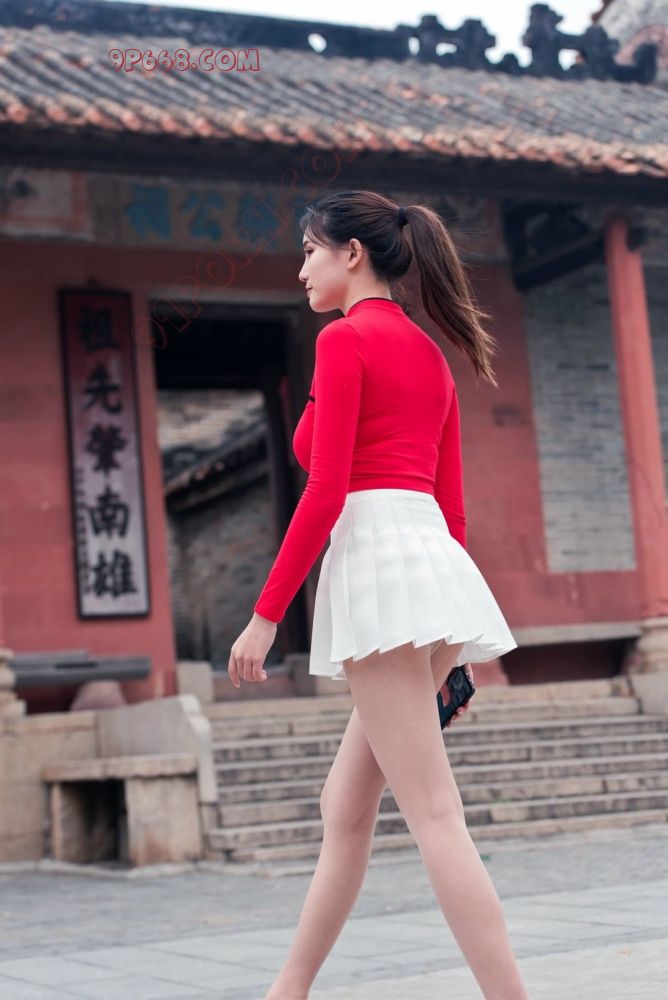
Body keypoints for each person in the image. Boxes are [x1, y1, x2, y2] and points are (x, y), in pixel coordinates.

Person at [228, 189, 528, 1000]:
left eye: (310, 251)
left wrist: (265, 616)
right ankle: (287, 991)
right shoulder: (430, 355)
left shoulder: (343, 339)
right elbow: (451, 508)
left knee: (434, 815)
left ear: (351, 253)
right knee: (346, 807)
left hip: (382, 569)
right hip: (432, 570)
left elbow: (326, 489)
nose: (301, 269)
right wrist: (448, 634)